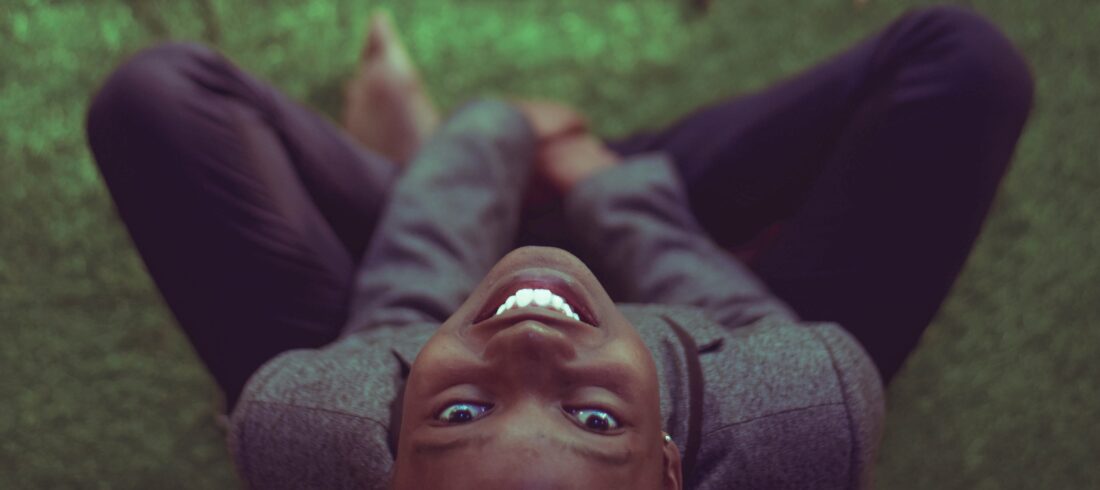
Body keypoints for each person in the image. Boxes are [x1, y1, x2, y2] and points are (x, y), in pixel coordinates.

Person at [84, 5, 1032, 489]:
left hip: (422, 290)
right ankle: (591, 189)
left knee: (155, 100)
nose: (529, 350)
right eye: (590, 424)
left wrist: (489, 137)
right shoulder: (800, 410)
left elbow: (411, 304)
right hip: (691, 265)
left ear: (389, 470)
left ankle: (418, 162)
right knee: (965, 63)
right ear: (670, 466)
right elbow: (725, 313)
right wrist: (595, 178)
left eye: (459, 414)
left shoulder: (312, 424)